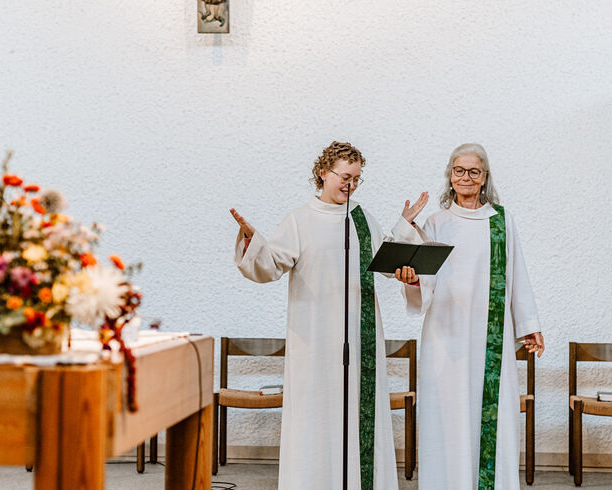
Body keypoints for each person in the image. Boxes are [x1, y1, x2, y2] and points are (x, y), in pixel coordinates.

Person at [231, 141, 427, 490]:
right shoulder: (300, 220)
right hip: (315, 342)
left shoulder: (362, 219)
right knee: (316, 420)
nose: (350, 185)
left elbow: (384, 260)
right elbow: (270, 264)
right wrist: (251, 240)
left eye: (357, 178)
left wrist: (404, 235)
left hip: (360, 340)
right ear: (323, 173)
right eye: (345, 176)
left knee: (358, 419)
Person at [393, 143, 545, 490]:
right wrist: (413, 279)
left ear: (484, 177)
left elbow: (517, 274)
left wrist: (529, 326)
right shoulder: (436, 223)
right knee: (447, 414)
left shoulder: (501, 221)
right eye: (459, 170)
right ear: (450, 176)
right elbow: (423, 277)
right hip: (446, 336)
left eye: (473, 171)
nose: (465, 177)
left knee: (491, 415)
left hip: (491, 339)